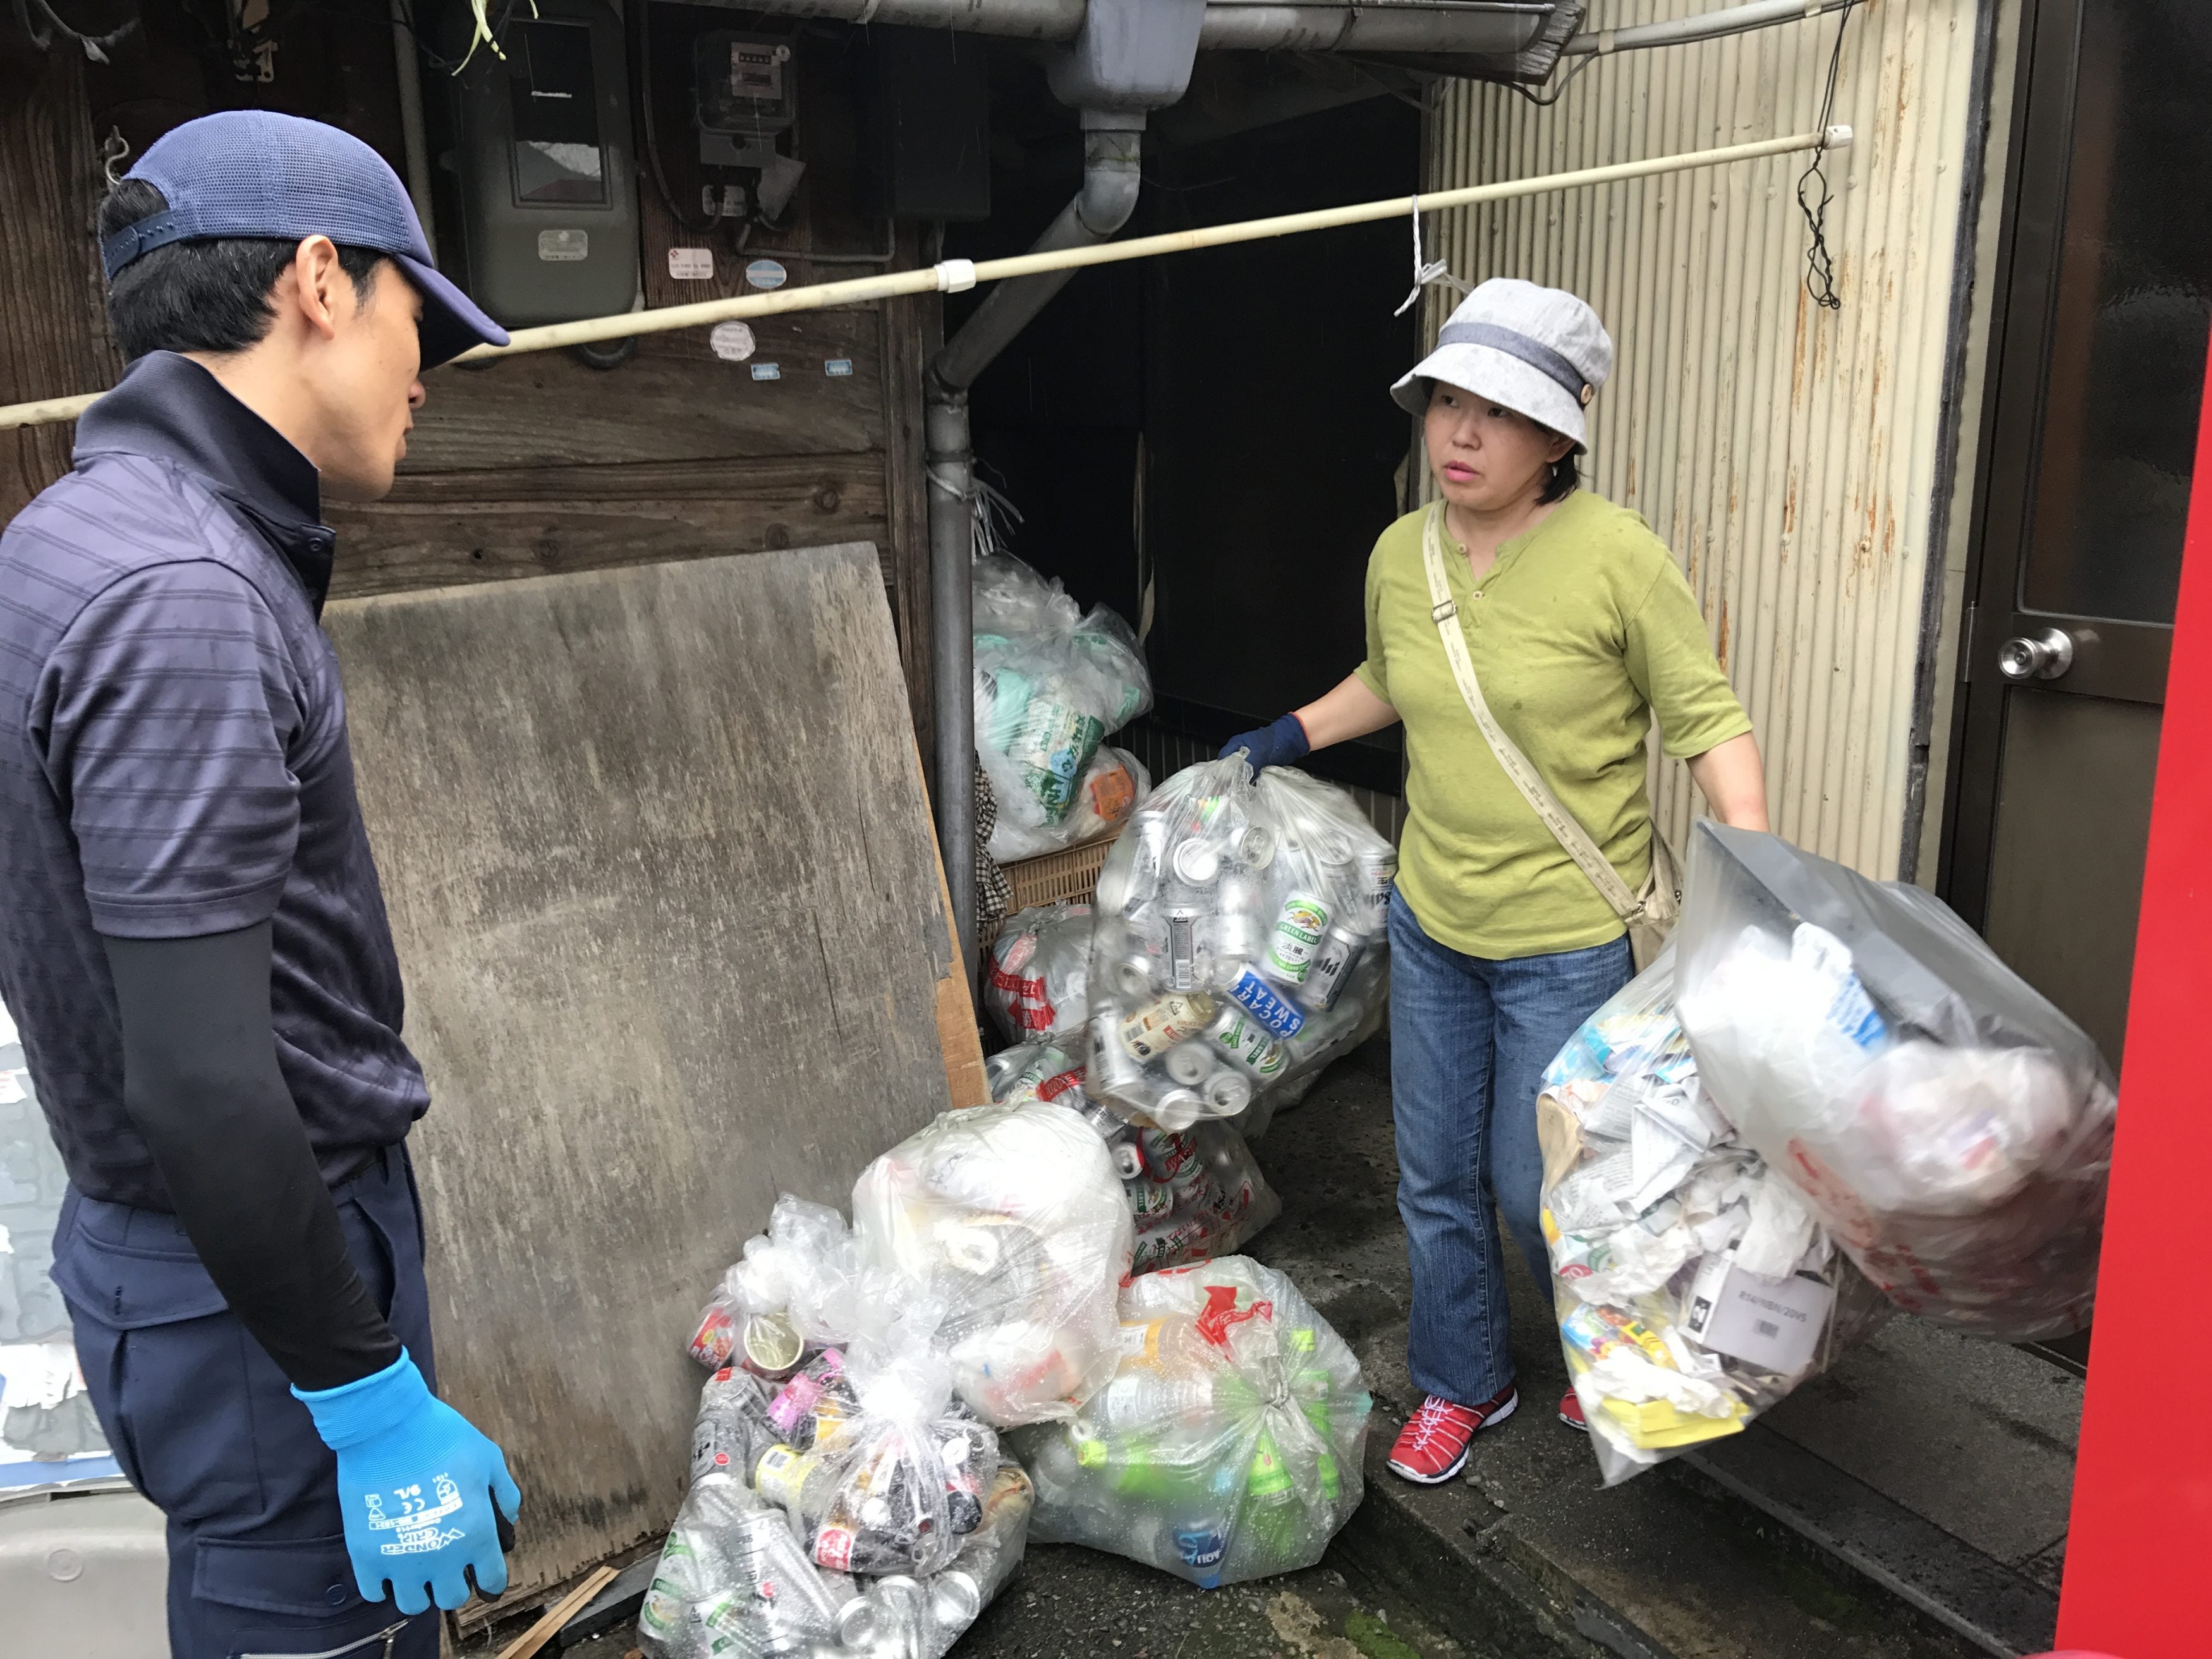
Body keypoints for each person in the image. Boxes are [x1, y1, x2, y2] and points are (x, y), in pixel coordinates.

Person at [0, 112, 519, 1656]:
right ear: (318, 282)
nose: (426, 376)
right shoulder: (186, 598)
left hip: (212, 1279)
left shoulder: (76, 530)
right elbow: (203, 1076)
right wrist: (365, 1396)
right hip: (251, 1305)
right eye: (418, 318)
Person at [1222, 279, 1770, 1485]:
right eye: (1447, 404)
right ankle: (1464, 1379)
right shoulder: (1399, 550)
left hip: (1567, 938)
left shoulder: (1617, 558)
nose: (1462, 436)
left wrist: (1759, 869)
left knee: (1545, 1187)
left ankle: (1612, 1359)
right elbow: (1392, 676)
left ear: (1562, 435)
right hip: (1433, 923)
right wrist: (1286, 734)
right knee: (1433, 1176)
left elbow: (1706, 717)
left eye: (1500, 414)